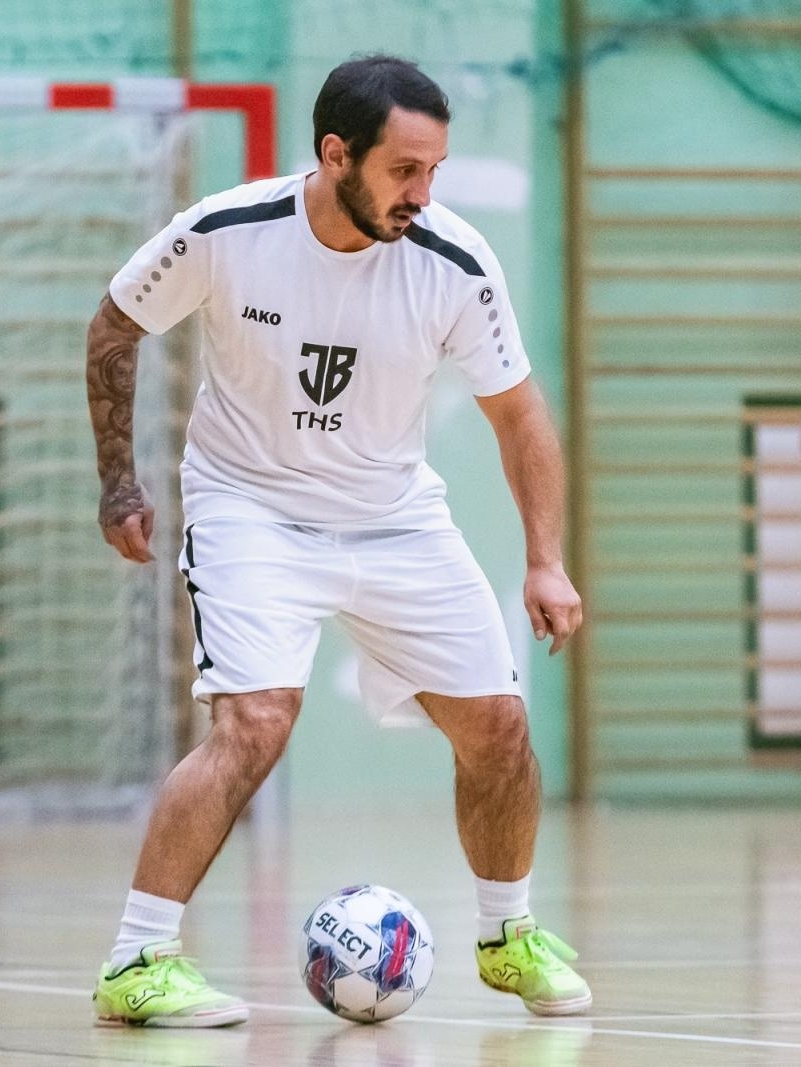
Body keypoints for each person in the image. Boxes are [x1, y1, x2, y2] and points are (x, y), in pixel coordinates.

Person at [84, 54, 591, 1025]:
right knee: (256, 721)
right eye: (404, 170)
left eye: (434, 169)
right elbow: (115, 324)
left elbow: (521, 416)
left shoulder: (453, 261)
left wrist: (544, 557)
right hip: (250, 506)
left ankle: (508, 933)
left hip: (394, 513)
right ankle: (136, 959)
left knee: (499, 725)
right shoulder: (228, 233)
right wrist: (118, 481)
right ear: (335, 154)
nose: (423, 192)